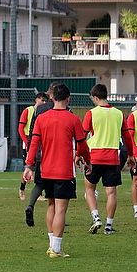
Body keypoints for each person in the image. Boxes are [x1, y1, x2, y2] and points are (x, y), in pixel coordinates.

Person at [23, 82, 91, 259]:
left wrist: (29, 166)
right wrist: (87, 161)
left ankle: (51, 245)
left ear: (52, 97)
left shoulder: (41, 118)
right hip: (64, 171)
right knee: (61, 209)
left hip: (46, 170)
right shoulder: (73, 119)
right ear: (68, 98)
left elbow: (34, 144)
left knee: (51, 205)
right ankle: (56, 249)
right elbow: (82, 146)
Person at [82, 83, 134, 235]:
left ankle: (96, 217)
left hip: (95, 157)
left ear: (96, 97)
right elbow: (127, 137)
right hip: (112, 157)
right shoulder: (118, 113)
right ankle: (109, 226)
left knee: (89, 188)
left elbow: (82, 136)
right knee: (111, 192)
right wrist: (131, 155)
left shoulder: (91, 113)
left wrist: (79, 154)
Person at [24, 82, 63, 227]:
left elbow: (33, 132)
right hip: (58, 153)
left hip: (41, 151)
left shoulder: (39, 109)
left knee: (40, 183)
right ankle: (59, 217)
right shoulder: (63, 108)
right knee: (57, 190)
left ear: (50, 93)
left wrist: (30, 152)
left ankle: (30, 206)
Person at [18, 92, 47, 200]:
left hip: (38, 142)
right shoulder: (28, 110)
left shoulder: (43, 112)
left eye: (45, 101)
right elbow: (20, 129)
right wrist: (27, 142)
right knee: (28, 167)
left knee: (39, 167)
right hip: (28, 142)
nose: (44, 103)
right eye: (42, 100)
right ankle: (22, 188)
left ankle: (39, 193)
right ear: (37, 99)